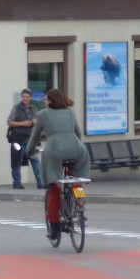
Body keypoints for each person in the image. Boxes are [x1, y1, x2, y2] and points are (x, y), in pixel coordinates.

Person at [24, 88, 91, 241]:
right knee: (76, 179)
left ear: (51, 100)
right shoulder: (70, 113)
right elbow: (78, 134)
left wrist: (27, 153)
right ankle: (79, 202)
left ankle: (54, 227)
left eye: (46, 99)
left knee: (54, 186)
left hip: (55, 150)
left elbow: (35, 137)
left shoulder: (43, 114)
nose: (44, 101)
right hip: (77, 149)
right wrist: (78, 146)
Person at [6, 89, 43, 189]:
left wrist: (35, 121)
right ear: (21, 97)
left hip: (31, 138)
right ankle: (17, 183)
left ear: (30, 97)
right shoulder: (16, 108)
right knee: (16, 161)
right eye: (23, 97)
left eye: (27, 97)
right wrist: (23, 123)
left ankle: (40, 183)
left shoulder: (34, 108)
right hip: (17, 138)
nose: (25, 98)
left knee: (35, 160)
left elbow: (38, 120)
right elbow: (9, 122)